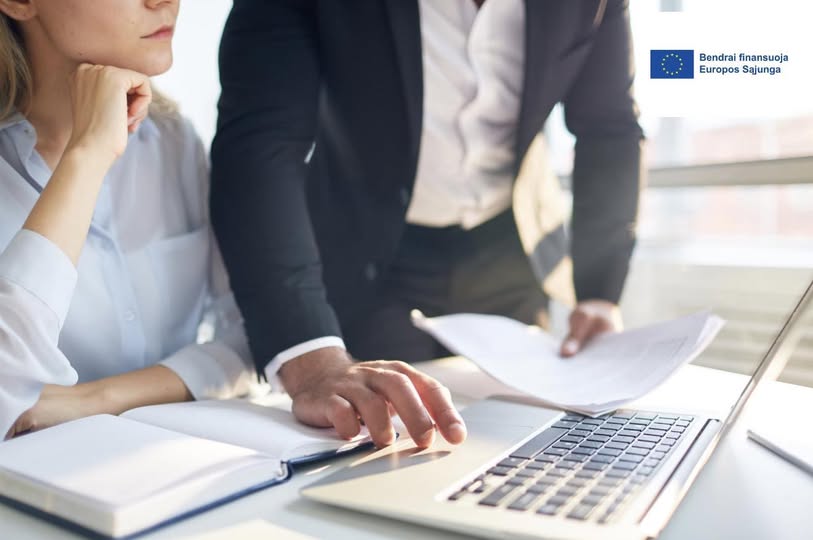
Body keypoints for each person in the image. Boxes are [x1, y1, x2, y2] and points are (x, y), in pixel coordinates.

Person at [211, 1, 643, 448]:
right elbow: (260, 146)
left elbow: (609, 128)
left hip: (512, 255)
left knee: (526, 442)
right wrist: (309, 355)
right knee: (383, 442)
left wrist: (599, 291)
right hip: (373, 261)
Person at [0, 0, 260, 439]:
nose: (164, 1)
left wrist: (94, 400)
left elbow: (256, 333)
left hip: (175, 459)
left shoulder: (175, 141)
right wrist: (87, 154)